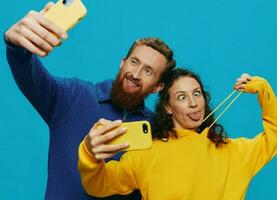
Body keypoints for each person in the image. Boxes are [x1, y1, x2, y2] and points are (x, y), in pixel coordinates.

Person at [4, 2, 175, 200]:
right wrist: (16, 46)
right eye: (134, 62)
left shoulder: (157, 128)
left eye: (148, 71)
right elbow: (28, 73)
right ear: (122, 63)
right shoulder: (73, 96)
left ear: (158, 87)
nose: (135, 74)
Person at [78, 68, 277, 200]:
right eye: (181, 97)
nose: (193, 103)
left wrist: (263, 89)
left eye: (196, 93)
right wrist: (89, 152)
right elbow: (98, 185)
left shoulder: (234, 152)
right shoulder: (147, 155)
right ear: (167, 107)